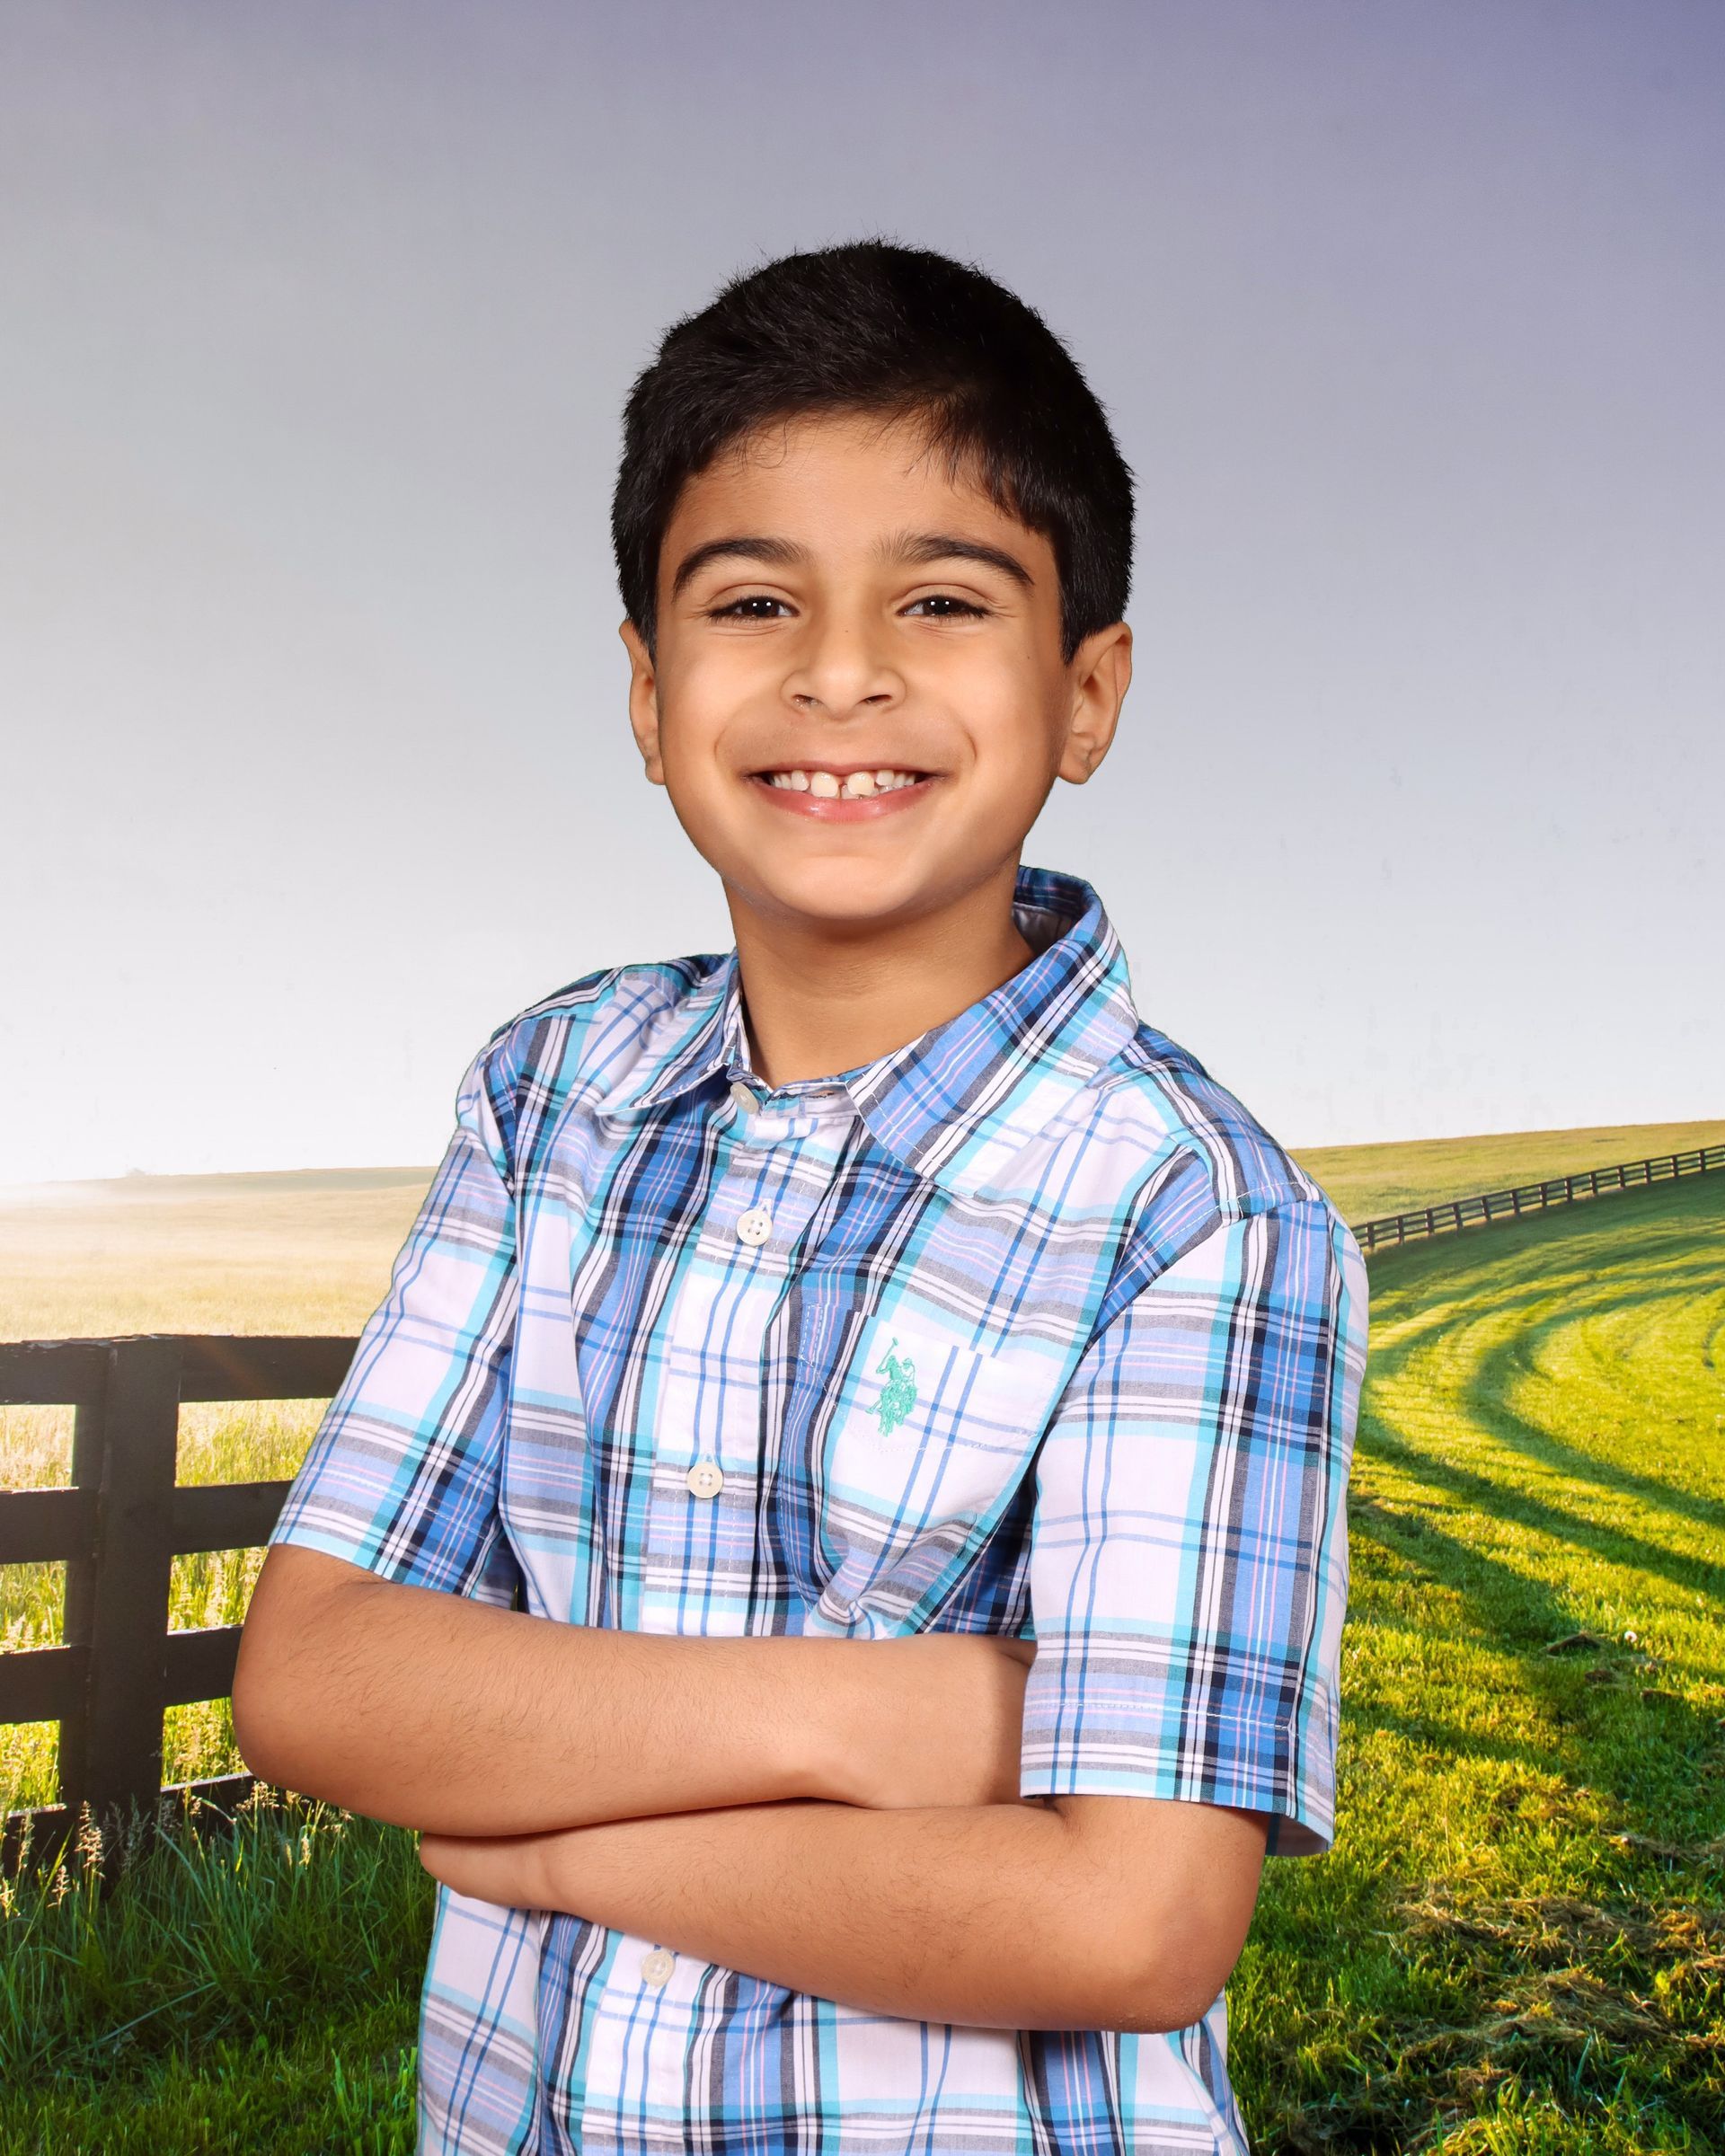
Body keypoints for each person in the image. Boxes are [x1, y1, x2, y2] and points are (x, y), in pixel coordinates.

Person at [234, 238, 1370, 2156]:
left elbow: (1129, 1920)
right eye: (754, 599)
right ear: (647, 685)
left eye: (942, 599)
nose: (841, 672)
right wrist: (872, 1721)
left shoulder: (1194, 1213)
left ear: (1085, 694)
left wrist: (563, 1842)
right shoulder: (552, 1096)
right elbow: (319, 1675)